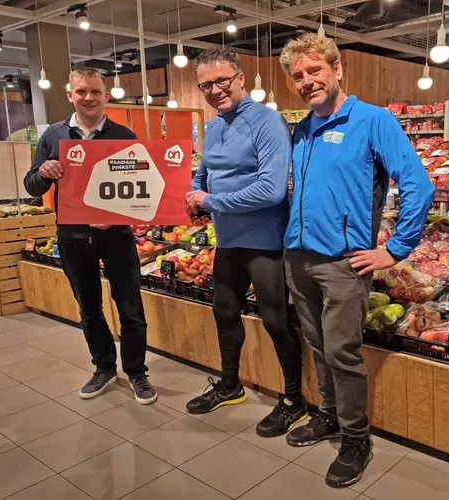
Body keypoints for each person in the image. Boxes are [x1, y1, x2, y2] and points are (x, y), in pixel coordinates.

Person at [279, 34, 434, 487]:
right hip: (297, 258)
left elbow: (418, 185)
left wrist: (395, 249)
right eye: (298, 76)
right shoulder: (302, 128)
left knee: (342, 353)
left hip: (344, 264)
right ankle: (328, 415)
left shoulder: (373, 120)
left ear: (337, 69)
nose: (307, 82)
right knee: (318, 347)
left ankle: (355, 438)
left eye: (314, 71)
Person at [185, 48, 307, 437]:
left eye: (222, 80)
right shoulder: (216, 125)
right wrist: (192, 192)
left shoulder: (268, 123)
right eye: (206, 84)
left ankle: (293, 400)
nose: (215, 89)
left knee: (275, 320)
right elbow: (202, 174)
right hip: (228, 242)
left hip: (266, 243)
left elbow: (271, 190)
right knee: (224, 311)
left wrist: (210, 202)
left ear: (240, 78)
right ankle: (229, 384)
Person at [23, 68, 157, 405]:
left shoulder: (124, 136)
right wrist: (42, 172)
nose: (88, 98)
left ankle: (137, 372)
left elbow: (144, 190)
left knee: (130, 307)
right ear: (70, 95)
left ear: (105, 96)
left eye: (95, 92)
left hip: (116, 237)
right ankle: (104, 367)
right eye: (81, 91)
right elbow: (30, 185)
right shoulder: (54, 136)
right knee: (89, 309)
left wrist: (114, 216)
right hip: (72, 236)